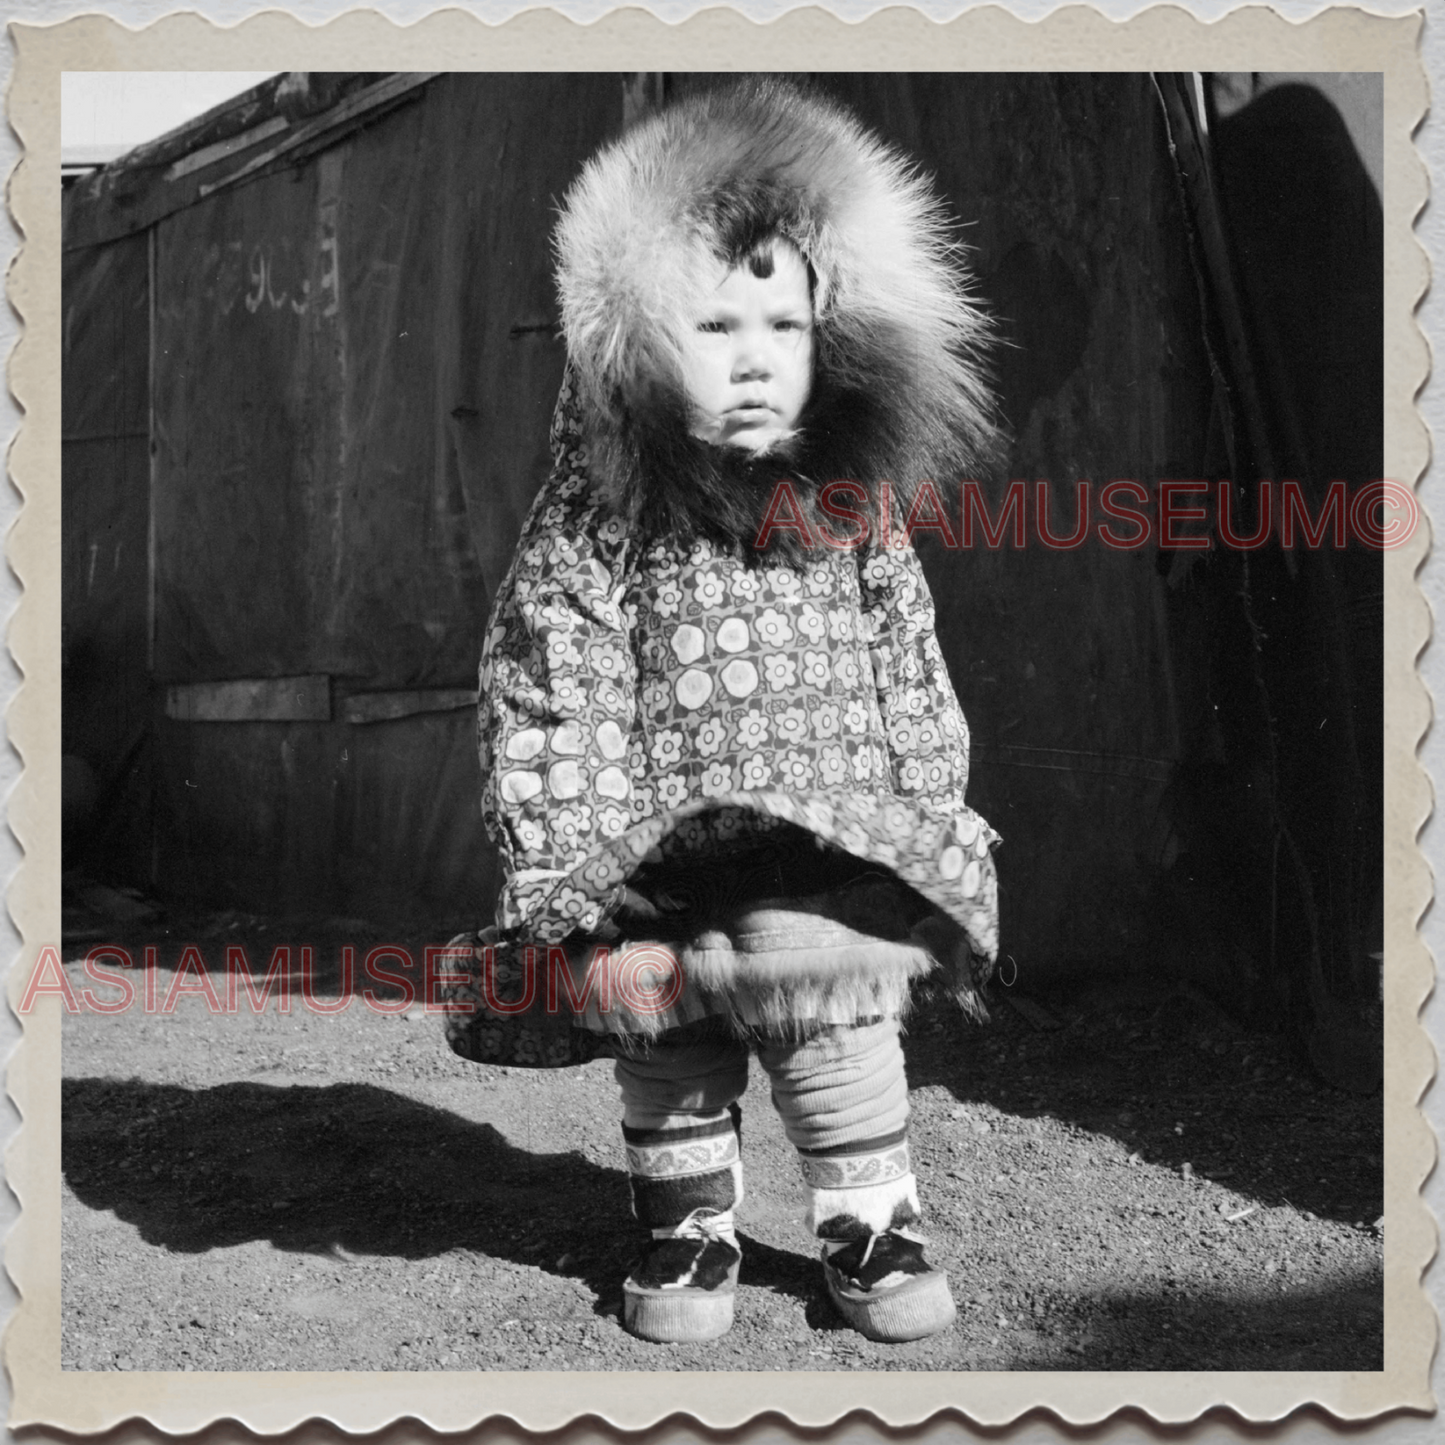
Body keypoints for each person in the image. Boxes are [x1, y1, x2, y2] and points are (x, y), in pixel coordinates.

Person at [471, 78, 1001, 1346]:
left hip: (822, 829)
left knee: (833, 1019)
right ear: (637, 339)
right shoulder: (601, 514)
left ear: (840, 333)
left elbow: (905, 659)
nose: (755, 353)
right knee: (663, 1029)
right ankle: (687, 1222)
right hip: (646, 841)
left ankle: (871, 1225)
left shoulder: (853, 508)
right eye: (712, 323)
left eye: (785, 319)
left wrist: (925, 815)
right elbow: (547, 673)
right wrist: (563, 857)